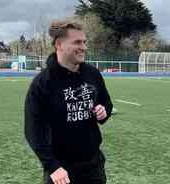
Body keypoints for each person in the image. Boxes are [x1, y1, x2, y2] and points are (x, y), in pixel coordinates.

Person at [25, 20, 113, 184]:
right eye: (77, 42)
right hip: (61, 171)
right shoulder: (43, 83)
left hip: (93, 166)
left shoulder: (92, 74)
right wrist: (52, 167)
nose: (84, 47)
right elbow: (33, 130)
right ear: (59, 44)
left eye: (84, 42)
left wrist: (103, 111)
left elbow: (106, 103)